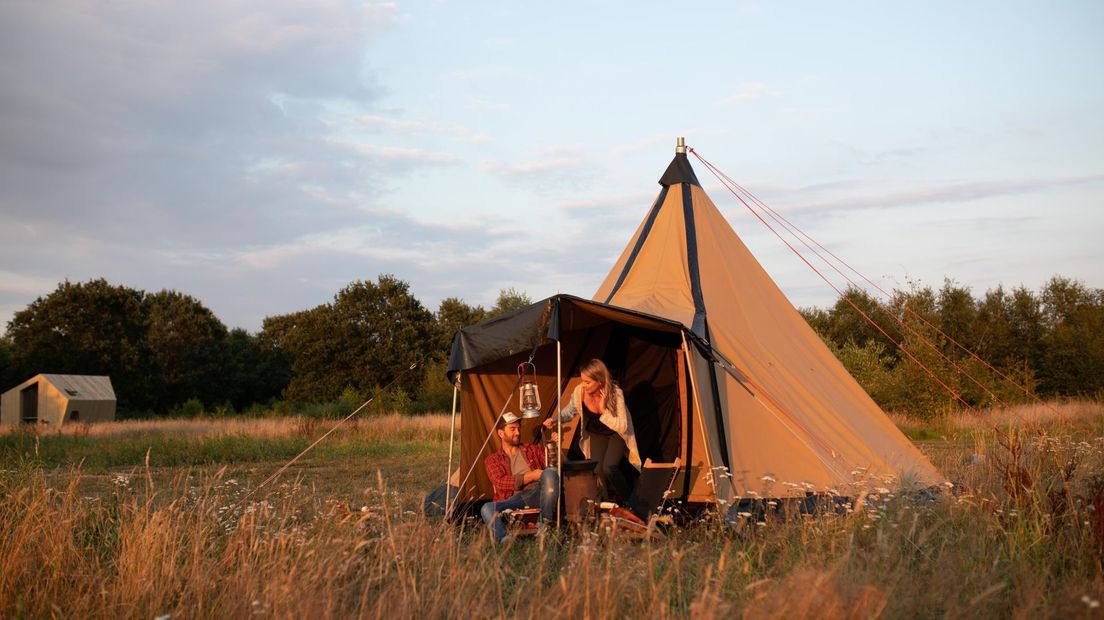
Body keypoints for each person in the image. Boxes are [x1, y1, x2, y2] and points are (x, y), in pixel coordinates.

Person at [543, 358, 641, 501]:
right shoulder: (579, 392)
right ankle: (605, 506)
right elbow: (570, 411)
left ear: (600, 381)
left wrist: (603, 410)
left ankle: (630, 502)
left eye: (588, 382)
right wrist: (555, 419)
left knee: (609, 467)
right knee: (596, 470)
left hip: (616, 433)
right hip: (596, 433)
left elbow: (622, 426)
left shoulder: (615, 393)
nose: (584, 385)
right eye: (583, 381)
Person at [481, 412, 560, 543]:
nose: (517, 432)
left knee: (550, 473)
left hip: (540, 492)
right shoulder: (493, 460)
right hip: (516, 499)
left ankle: (545, 526)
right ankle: (505, 540)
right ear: (501, 433)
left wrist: (554, 449)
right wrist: (531, 476)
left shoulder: (532, 449)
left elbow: (552, 469)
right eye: (512, 429)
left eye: (518, 428)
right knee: (487, 508)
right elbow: (500, 482)